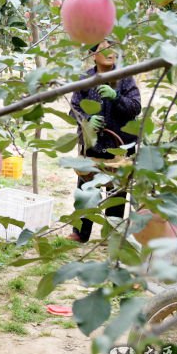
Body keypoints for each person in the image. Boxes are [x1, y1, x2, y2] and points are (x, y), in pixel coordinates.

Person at [68, 40, 142, 243]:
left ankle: (112, 234)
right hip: (92, 147)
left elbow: (135, 107)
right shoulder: (85, 80)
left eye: (112, 48)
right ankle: (80, 232)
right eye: (103, 48)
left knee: (116, 193)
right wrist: (87, 120)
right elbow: (73, 109)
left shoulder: (125, 78)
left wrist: (116, 97)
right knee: (86, 190)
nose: (110, 52)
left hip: (119, 147)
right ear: (93, 55)